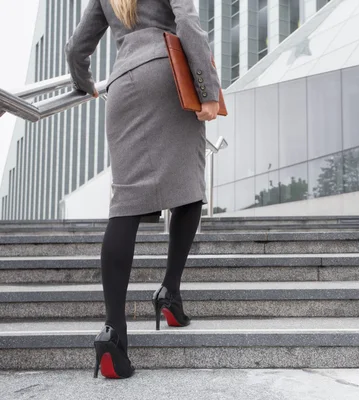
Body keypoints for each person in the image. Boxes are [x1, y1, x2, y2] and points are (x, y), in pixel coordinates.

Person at [65, 0, 221, 379]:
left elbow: (76, 49)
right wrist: (209, 90)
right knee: (189, 188)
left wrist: (87, 86)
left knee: (125, 204)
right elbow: (188, 22)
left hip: (122, 85)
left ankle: (113, 333)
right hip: (168, 74)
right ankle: (169, 290)